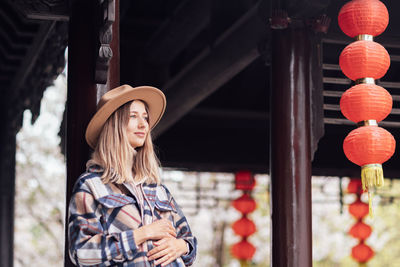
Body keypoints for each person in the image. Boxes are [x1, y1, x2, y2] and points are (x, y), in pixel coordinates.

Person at [68, 85, 197, 266]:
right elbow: (82, 253)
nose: (143, 124)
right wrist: (143, 234)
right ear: (114, 125)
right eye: (133, 116)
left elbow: (189, 241)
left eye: (145, 117)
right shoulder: (91, 186)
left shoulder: (157, 188)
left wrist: (182, 246)